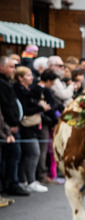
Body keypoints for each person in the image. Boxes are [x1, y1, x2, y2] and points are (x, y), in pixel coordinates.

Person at [13, 65, 50, 193]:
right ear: (20, 78)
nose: (32, 77)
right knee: (34, 153)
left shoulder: (28, 89)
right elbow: (25, 111)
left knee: (28, 154)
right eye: (28, 75)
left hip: (33, 126)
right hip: (26, 126)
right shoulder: (19, 90)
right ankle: (30, 181)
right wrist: (41, 108)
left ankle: (25, 180)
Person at [0, 55, 29, 197]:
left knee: (11, 155)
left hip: (11, 126)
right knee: (12, 154)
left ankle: (9, 183)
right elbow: (5, 107)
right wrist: (10, 125)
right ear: (1, 67)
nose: (13, 70)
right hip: (7, 127)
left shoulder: (6, 83)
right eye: (11, 67)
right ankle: (11, 183)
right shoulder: (2, 83)